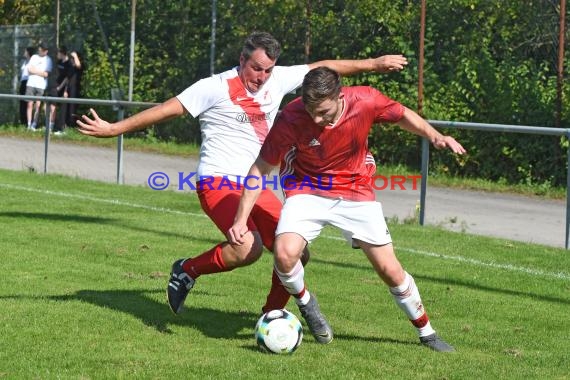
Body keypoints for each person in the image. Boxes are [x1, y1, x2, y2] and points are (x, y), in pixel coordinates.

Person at [76, 31, 408, 317]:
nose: (262, 76)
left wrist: (375, 64)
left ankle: (272, 314)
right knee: (247, 249)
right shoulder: (213, 87)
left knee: (294, 252)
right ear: (242, 59)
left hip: (254, 184)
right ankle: (186, 270)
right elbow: (165, 110)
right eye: (256, 68)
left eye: (268, 70)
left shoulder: (276, 79)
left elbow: (323, 67)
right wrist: (114, 128)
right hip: (217, 182)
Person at [228, 67, 466, 351]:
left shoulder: (366, 99)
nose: (316, 119)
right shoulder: (291, 117)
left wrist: (434, 135)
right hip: (307, 189)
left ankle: (427, 333)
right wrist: (241, 219)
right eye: (311, 111)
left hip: (355, 190)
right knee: (285, 253)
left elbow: (401, 114)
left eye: (324, 112)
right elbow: (260, 167)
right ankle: (307, 304)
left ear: (340, 96)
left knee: (389, 269)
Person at [26, 43, 53, 131]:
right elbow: (29, 70)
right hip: (31, 84)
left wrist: (35, 70)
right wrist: (40, 72)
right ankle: (29, 125)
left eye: (43, 50)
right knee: (29, 104)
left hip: (41, 85)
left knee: (38, 105)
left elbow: (46, 74)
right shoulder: (34, 57)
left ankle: (34, 124)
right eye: (41, 49)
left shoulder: (48, 60)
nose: (41, 51)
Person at [48, 46, 73, 134]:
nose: (57, 54)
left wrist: (63, 89)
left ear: (62, 53)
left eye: (58, 53)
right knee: (52, 106)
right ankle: (51, 127)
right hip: (57, 88)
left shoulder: (69, 63)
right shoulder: (59, 62)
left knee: (63, 109)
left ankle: (62, 129)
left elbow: (67, 78)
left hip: (64, 89)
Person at [66, 50, 84, 127]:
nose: (72, 60)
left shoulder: (79, 66)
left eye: (73, 58)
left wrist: (75, 55)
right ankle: (66, 124)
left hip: (75, 89)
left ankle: (72, 125)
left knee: (73, 108)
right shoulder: (71, 68)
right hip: (69, 89)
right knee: (67, 107)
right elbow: (67, 79)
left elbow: (78, 65)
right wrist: (65, 90)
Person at [19, 47, 35, 126]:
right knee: (22, 102)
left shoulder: (32, 61)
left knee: (27, 103)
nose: (24, 52)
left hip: (28, 82)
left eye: (25, 51)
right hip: (23, 82)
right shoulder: (24, 61)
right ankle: (22, 122)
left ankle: (27, 122)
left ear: (28, 52)